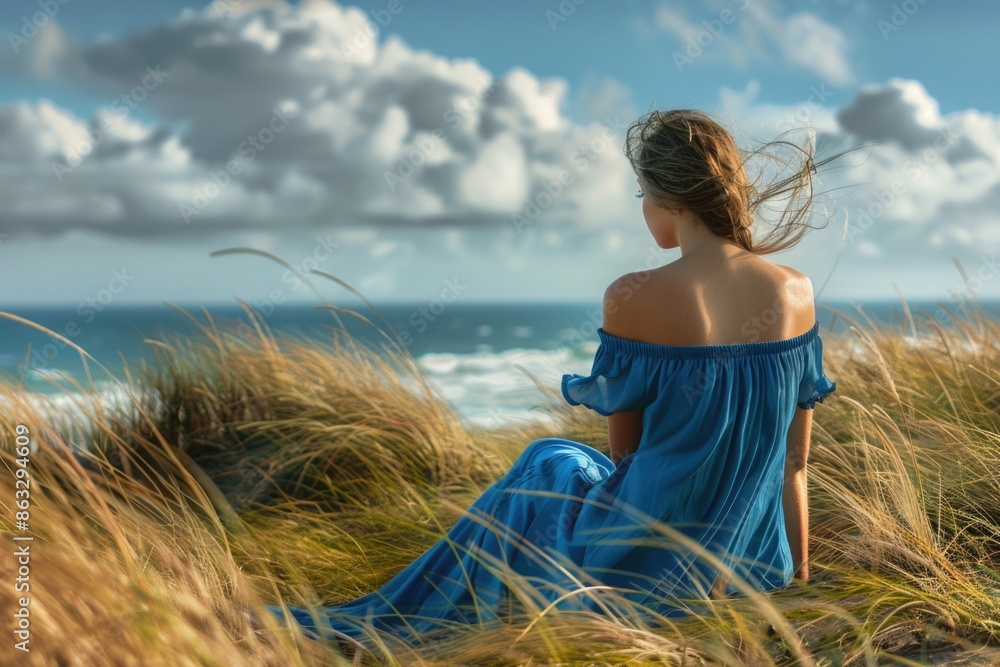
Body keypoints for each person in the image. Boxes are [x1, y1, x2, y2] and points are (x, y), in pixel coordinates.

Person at [262, 108, 842, 651]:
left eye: (643, 194)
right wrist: (797, 580)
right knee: (558, 462)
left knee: (548, 462)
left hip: (639, 577)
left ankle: (395, 625)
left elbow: (625, 456)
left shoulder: (632, 296)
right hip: (754, 572)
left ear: (672, 198)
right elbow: (795, 465)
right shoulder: (794, 292)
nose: (644, 209)